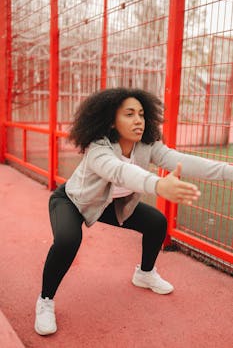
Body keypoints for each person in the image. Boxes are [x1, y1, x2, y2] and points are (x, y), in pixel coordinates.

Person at [34, 87, 233, 335]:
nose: (138, 120)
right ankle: (45, 300)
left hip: (109, 205)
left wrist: (229, 171)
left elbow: (182, 160)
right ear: (111, 120)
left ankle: (145, 274)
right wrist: (158, 184)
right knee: (67, 241)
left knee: (156, 222)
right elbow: (119, 171)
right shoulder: (98, 147)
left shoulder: (147, 145)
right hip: (73, 201)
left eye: (141, 113)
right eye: (129, 114)